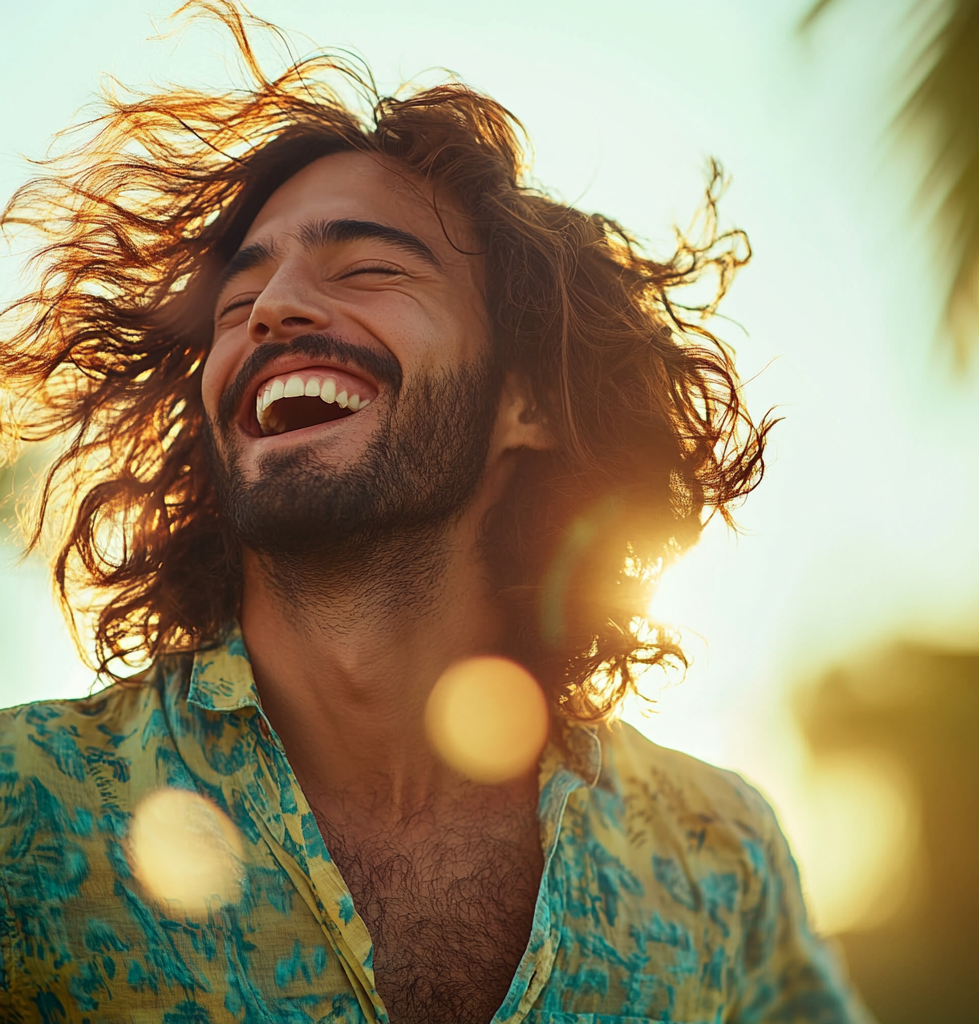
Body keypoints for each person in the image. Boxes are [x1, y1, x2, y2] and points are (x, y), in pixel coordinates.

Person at [0, 4, 873, 1022]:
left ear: (528, 401)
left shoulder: (720, 853)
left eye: (367, 268)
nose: (273, 307)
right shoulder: (26, 812)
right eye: (236, 305)